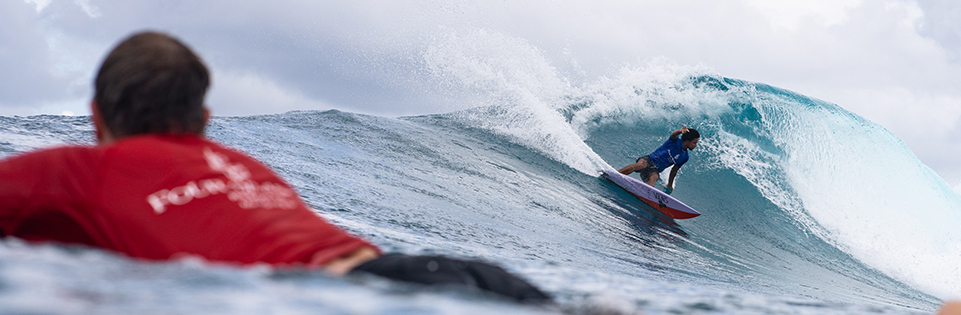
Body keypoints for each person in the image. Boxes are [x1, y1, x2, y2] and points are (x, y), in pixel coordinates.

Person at [0, 31, 549, 303]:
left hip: (360, 299)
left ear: (95, 116)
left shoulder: (79, 169)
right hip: (432, 272)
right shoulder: (241, 164)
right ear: (205, 118)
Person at [618, 125, 700, 193]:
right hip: (648, 160)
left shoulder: (685, 157)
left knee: (654, 177)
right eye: (694, 143)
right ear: (687, 141)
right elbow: (674, 134)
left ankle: (643, 194)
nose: (695, 145)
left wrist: (670, 185)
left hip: (655, 170)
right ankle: (616, 174)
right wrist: (680, 131)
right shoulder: (675, 141)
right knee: (640, 165)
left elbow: (674, 171)